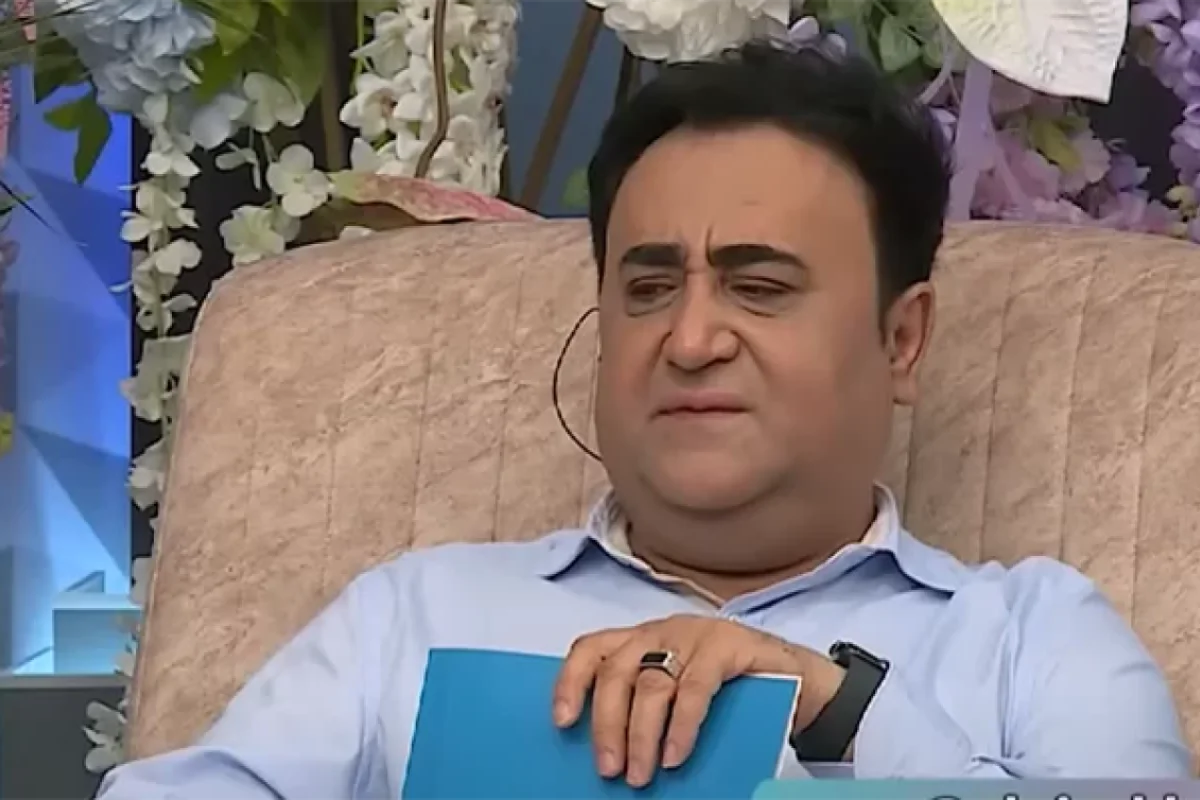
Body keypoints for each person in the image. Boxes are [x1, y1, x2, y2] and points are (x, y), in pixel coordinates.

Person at [96, 39, 1191, 799]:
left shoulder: (1034, 639)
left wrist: (839, 710)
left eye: (759, 286)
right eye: (650, 286)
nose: (692, 337)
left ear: (901, 340)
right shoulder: (414, 618)